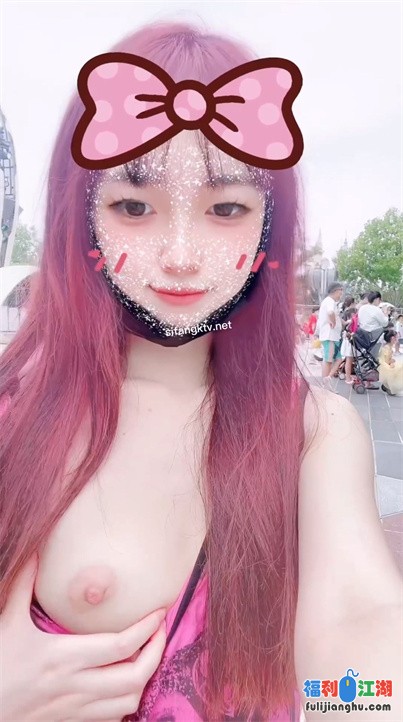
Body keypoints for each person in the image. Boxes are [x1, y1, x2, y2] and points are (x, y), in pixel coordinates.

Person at [0, 20, 402, 722]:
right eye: (133, 206)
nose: (181, 255)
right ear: (78, 215)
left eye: (225, 208)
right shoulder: (16, 409)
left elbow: (357, 623)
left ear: (269, 226)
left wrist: (361, 706)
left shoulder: (312, 430)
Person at [316, 282, 344, 381]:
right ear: (335, 291)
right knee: (328, 360)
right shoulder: (329, 301)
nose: (341, 295)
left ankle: (327, 378)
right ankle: (325, 383)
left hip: (333, 336)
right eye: (340, 292)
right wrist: (333, 321)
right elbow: (330, 312)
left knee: (338, 359)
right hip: (329, 335)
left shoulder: (330, 302)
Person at [358, 291, 390, 359]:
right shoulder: (376, 309)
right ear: (377, 299)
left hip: (363, 337)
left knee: (365, 357)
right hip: (374, 338)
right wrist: (385, 313)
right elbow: (385, 323)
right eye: (380, 300)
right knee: (374, 357)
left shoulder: (362, 308)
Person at [378, 330, 403, 396]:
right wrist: (391, 362)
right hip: (385, 366)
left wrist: (391, 360)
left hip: (387, 364)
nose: (397, 339)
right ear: (392, 338)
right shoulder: (387, 348)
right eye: (396, 337)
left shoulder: (388, 347)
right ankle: (393, 386)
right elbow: (386, 360)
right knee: (400, 368)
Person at [340, 306, 356, 384]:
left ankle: (348, 376)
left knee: (348, 360)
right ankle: (348, 378)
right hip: (349, 342)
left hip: (347, 341)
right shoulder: (351, 321)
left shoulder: (348, 321)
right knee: (349, 360)